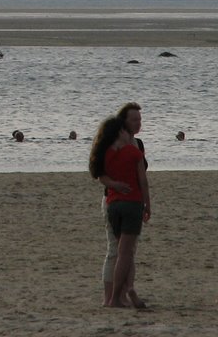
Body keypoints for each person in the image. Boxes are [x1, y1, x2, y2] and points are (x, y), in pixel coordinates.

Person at [90, 105, 151, 308]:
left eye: (139, 119)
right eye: (134, 119)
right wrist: (115, 185)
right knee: (116, 251)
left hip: (132, 200)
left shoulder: (137, 144)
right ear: (124, 122)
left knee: (127, 250)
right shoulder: (110, 144)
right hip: (114, 201)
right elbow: (100, 172)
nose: (138, 123)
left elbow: (142, 173)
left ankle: (123, 293)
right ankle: (111, 296)